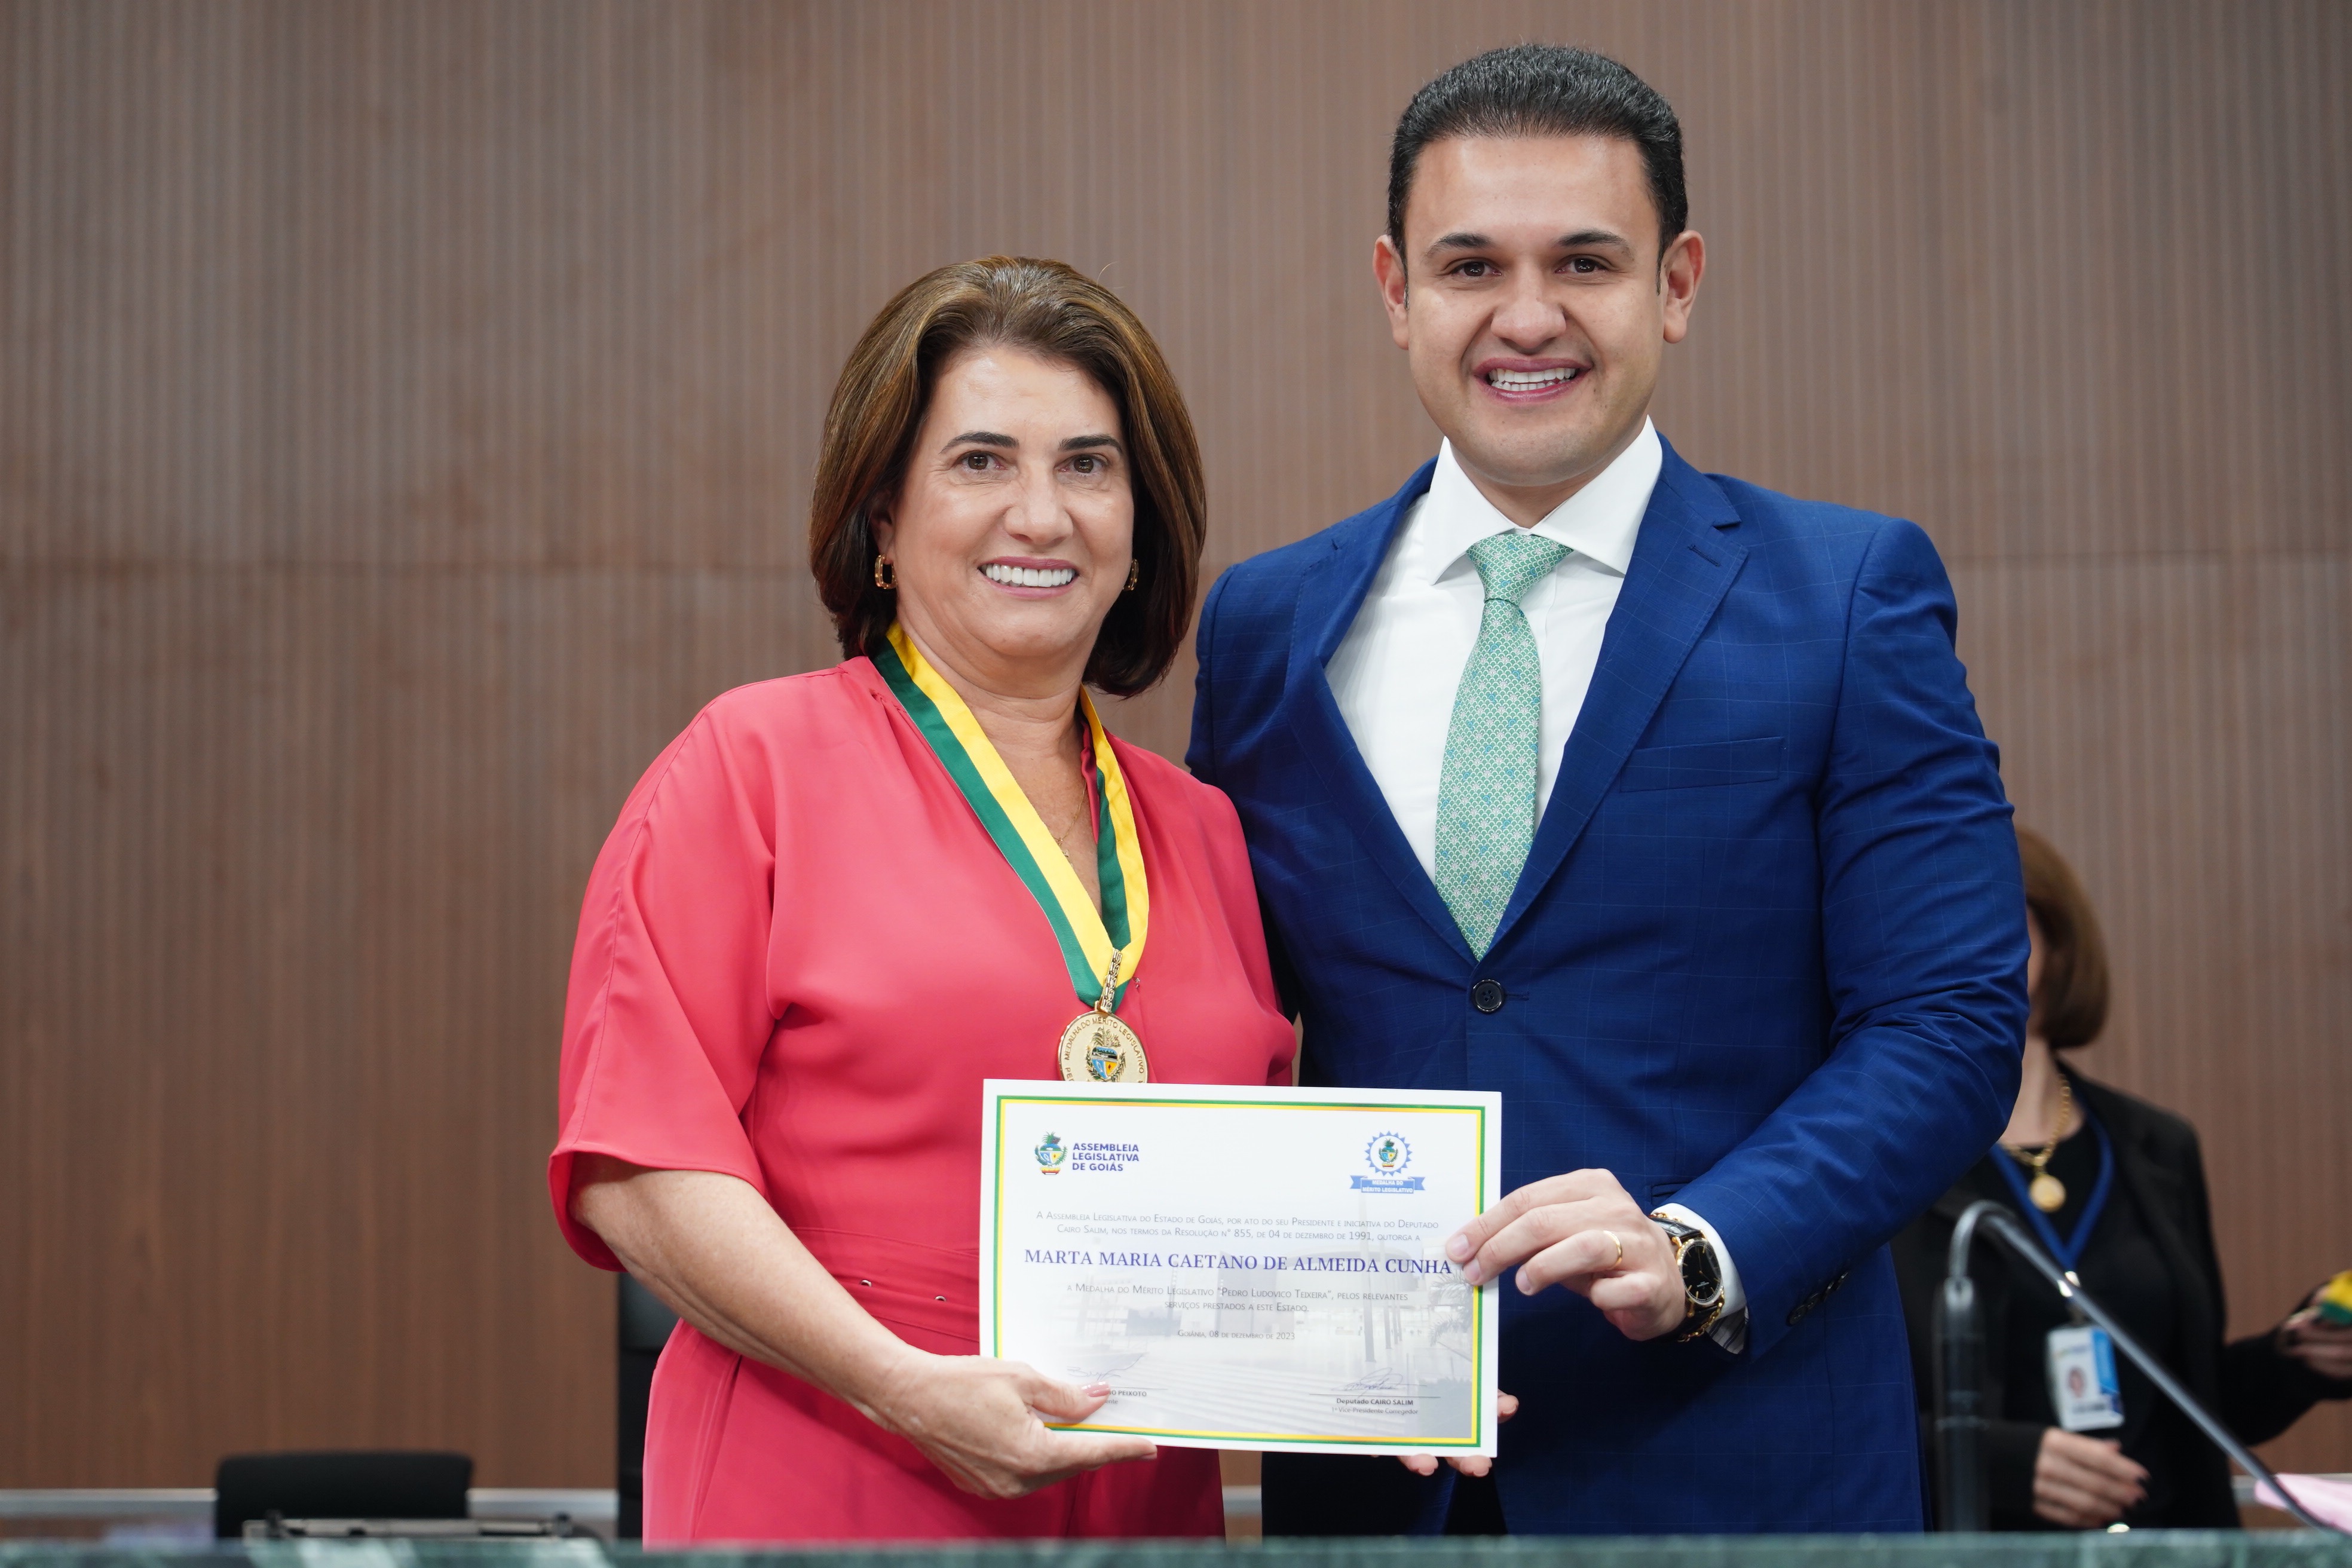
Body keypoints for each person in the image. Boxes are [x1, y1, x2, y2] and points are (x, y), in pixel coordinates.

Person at [1187, 45, 2026, 1534]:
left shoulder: (1847, 596)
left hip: (1741, 1471)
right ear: (1394, 290)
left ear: (1676, 284)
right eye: (1470, 266)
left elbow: (1948, 1020)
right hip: (1377, 1481)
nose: (1526, 317)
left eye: (1584, 262)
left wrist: (1703, 1247)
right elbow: (1225, 1019)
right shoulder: (1267, 624)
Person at [549, 256, 1296, 1542]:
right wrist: (902, 1388)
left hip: (1140, 1504)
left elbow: (1265, 1205)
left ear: (1141, 527)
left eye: (1088, 466)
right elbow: (638, 1167)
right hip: (827, 1478)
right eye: (980, 461)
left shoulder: (1203, 828)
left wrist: (1394, 1375)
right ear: (884, 520)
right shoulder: (750, 768)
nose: (1041, 515)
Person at [1891, 828, 2352, 1530]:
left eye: (1994, 917)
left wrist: (2296, 1359)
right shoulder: (1891, 1158)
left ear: (2058, 939)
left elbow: (2193, 1404)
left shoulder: (2156, 1146)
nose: (1968, 945)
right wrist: (2000, 1461)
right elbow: (1837, 1422)